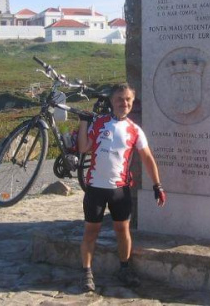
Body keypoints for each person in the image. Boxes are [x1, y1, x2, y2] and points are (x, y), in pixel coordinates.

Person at [77, 83, 166, 292]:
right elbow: (84, 147)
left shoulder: (135, 130)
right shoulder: (99, 123)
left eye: (128, 100)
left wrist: (157, 185)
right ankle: (87, 273)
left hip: (120, 189)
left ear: (132, 103)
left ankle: (124, 269)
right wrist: (83, 123)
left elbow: (148, 158)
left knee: (122, 230)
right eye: (119, 99)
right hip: (95, 189)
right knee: (91, 231)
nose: (123, 103)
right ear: (111, 101)